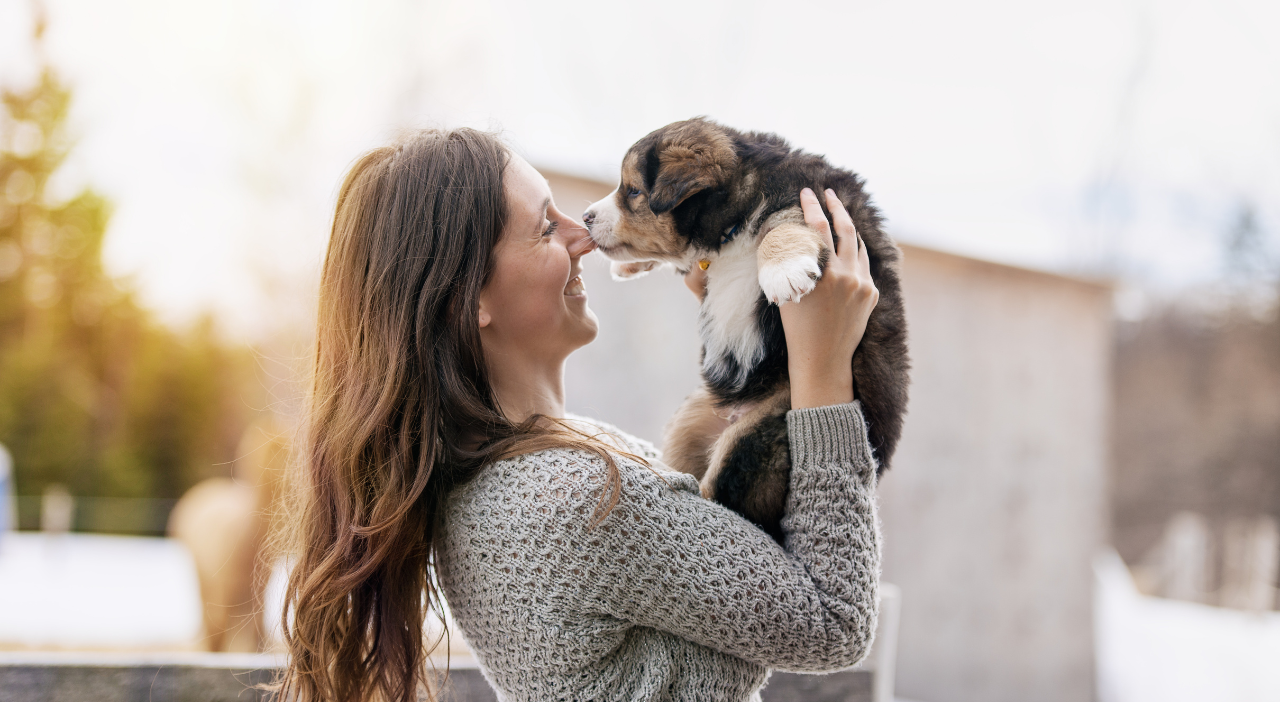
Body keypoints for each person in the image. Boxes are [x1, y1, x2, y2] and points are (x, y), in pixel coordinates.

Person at [276, 128, 881, 702]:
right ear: (472, 298)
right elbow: (836, 618)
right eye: (546, 227)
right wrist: (824, 378)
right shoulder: (577, 499)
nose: (583, 235)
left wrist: (736, 307)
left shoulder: (539, 468)